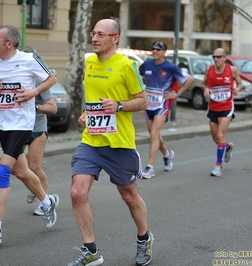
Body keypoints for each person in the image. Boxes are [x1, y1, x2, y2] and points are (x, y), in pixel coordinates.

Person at [67, 19, 153, 266]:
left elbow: (143, 101)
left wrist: (119, 106)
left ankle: (143, 238)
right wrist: (87, 114)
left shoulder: (127, 66)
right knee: (77, 192)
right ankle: (91, 250)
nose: (94, 38)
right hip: (91, 141)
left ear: (115, 38)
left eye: (101, 34)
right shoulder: (89, 61)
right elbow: (93, 98)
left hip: (120, 144)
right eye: (93, 33)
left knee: (129, 196)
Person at [0, 25, 59, 244]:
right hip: (2, 124)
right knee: (22, 172)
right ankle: (48, 202)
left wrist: (33, 92)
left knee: (2, 172)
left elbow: (52, 78)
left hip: (22, 124)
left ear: (9, 44)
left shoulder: (29, 59)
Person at [139, 41, 194, 178]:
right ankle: (167, 154)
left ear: (164, 52)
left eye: (158, 49)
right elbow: (136, 76)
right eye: (153, 49)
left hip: (163, 104)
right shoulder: (147, 64)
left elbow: (189, 79)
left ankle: (149, 167)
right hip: (149, 104)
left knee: (154, 134)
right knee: (154, 134)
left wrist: (177, 94)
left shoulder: (170, 67)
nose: (155, 51)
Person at [201, 48, 242, 177]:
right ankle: (227, 148)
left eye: (218, 57)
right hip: (213, 107)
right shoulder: (209, 69)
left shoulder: (232, 70)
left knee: (220, 134)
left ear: (225, 57)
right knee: (216, 137)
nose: (216, 59)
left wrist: (237, 89)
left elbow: (240, 84)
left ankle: (218, 166)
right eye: (214, 57)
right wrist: (206, 89)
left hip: (227, 107)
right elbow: (203, 84)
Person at [25, 81, 58, 216]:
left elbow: (53, 108)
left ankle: (47, 200)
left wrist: (32, 106)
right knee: (13, 168)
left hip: (37, 128)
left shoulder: (39, 81)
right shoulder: (12, 77)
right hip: (18, 128)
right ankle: (35, 187)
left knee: (34, 167)